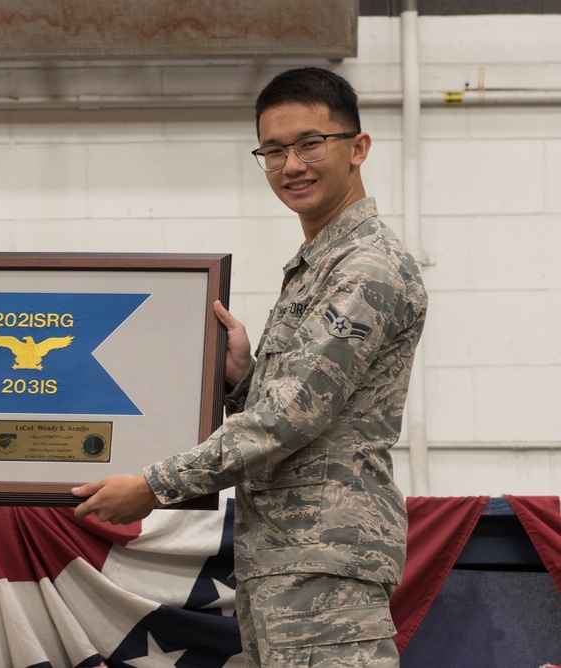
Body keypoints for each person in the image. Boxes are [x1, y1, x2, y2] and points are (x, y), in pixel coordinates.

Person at [72, 67, 428, 667]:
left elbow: (289, 417)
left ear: (358, 147)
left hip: (324, 563)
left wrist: (154, 485)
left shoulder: (365, 267)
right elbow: (290, 406)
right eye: (274, 150)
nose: (292, 165)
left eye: (311, 144)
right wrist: (243, 379)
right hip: (284, 559)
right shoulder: (319, 264)